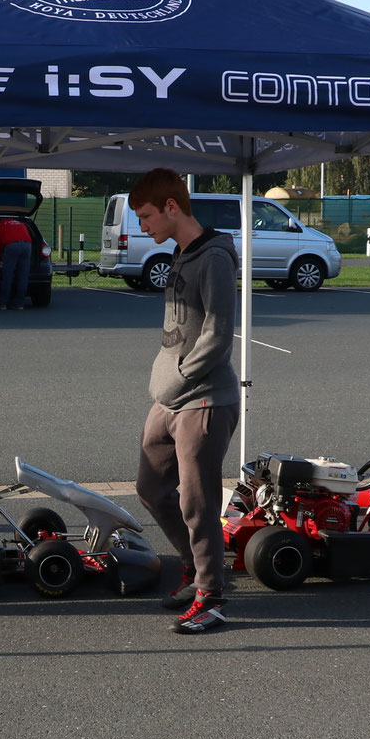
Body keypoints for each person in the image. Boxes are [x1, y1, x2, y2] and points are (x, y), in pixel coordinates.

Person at [129, 170, 240, 635]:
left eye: (148, 215)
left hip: (204, 400)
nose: (143, 226)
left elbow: (216, 336)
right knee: (150, 488)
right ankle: (197, 570)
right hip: (170, 399)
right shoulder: (180, 251)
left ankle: (211, 597)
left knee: (198, 501)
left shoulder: (214, 257)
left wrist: (177, 380)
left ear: (172, 207)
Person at [0, 212, 36, 310]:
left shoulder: (0, 226)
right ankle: (19, 304)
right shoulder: (21, 224)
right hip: (27, 246)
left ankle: (3, 303)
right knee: (23, 275)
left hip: (12, 246)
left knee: (8, 275)